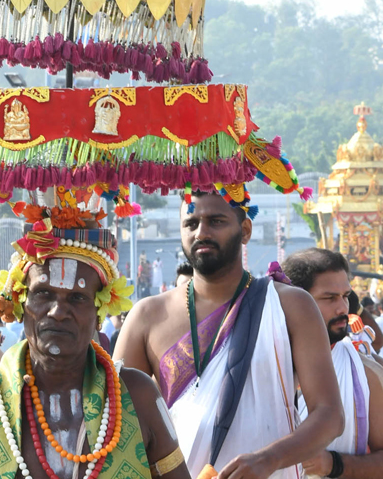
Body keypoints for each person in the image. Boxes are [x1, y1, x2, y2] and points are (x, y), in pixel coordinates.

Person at [0, 202, 189, 479]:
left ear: (98, 314)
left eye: (77, 297)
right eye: (43, 294)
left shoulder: (137, 395)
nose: (58, 311)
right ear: (21, 304)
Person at [115, 191, 344, 479]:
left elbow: (330, 416)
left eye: (216, 221)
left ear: (245, 230)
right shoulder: (147, 316)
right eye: (191, 223)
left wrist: (269, 459)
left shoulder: (290, 305)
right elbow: (115, 423)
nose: (202, 232)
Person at [283, 248, 383, 476]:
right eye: (329, 298)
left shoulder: (364, 373)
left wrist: (334, 464)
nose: (343, 309)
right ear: (293, 301)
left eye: (346, 296)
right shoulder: (258, 366)